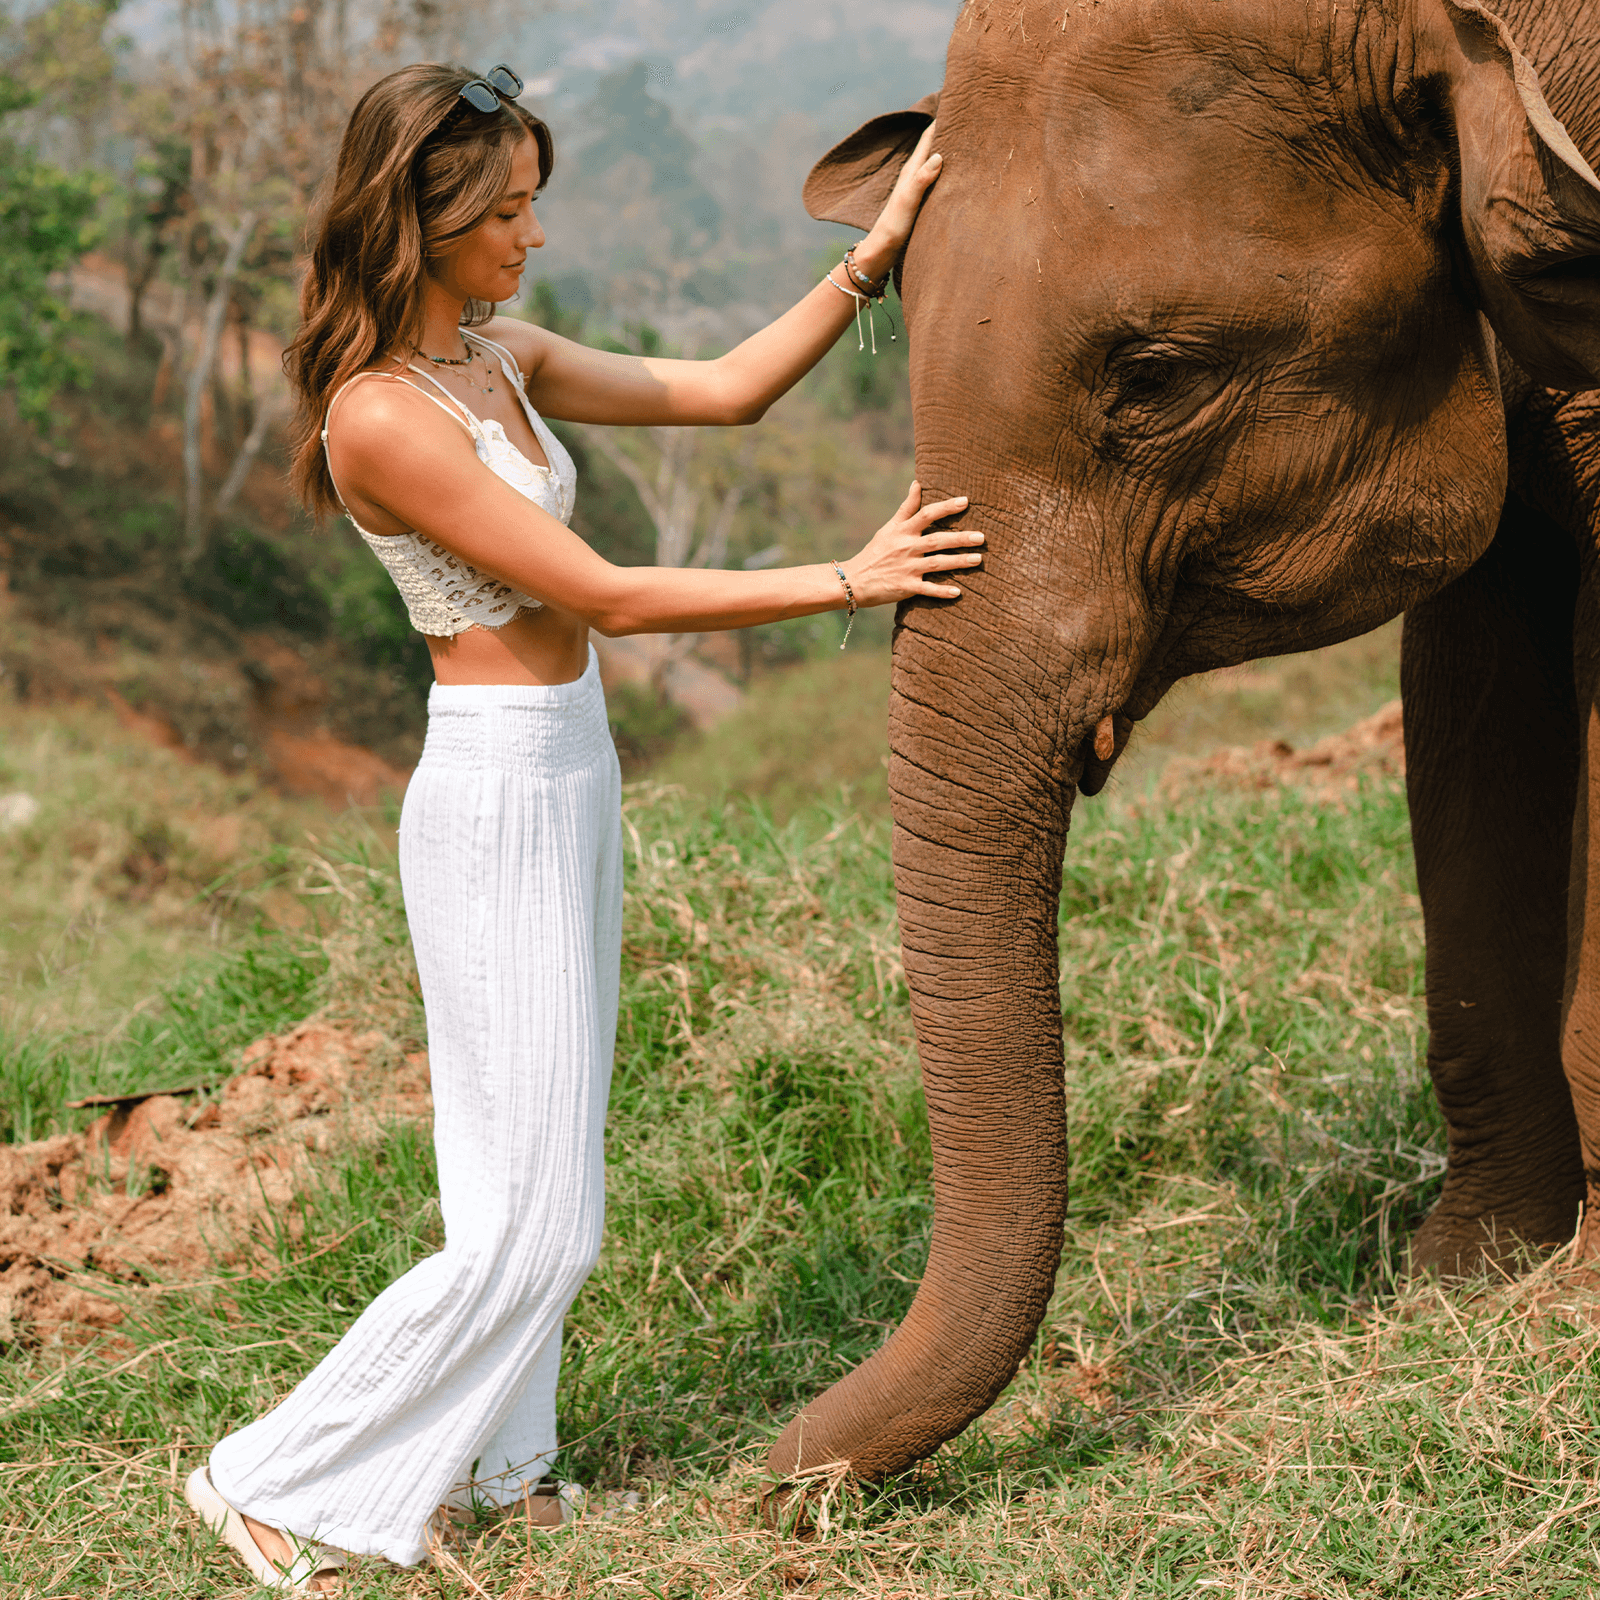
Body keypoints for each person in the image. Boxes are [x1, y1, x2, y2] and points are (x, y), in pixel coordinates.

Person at [183, 60, 980, 1593]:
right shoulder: (383, 422)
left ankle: (502, 1466)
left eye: (532, 203)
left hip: (569, 765)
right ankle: (272, 1475)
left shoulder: (499, 361)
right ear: (420, 221)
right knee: (540, 1226)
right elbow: (602, 592)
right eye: (506, 211)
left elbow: (723, 390)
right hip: (491, 791)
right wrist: (848, 578)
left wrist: (871, 259)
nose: (532, 238)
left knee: (520, 1172)